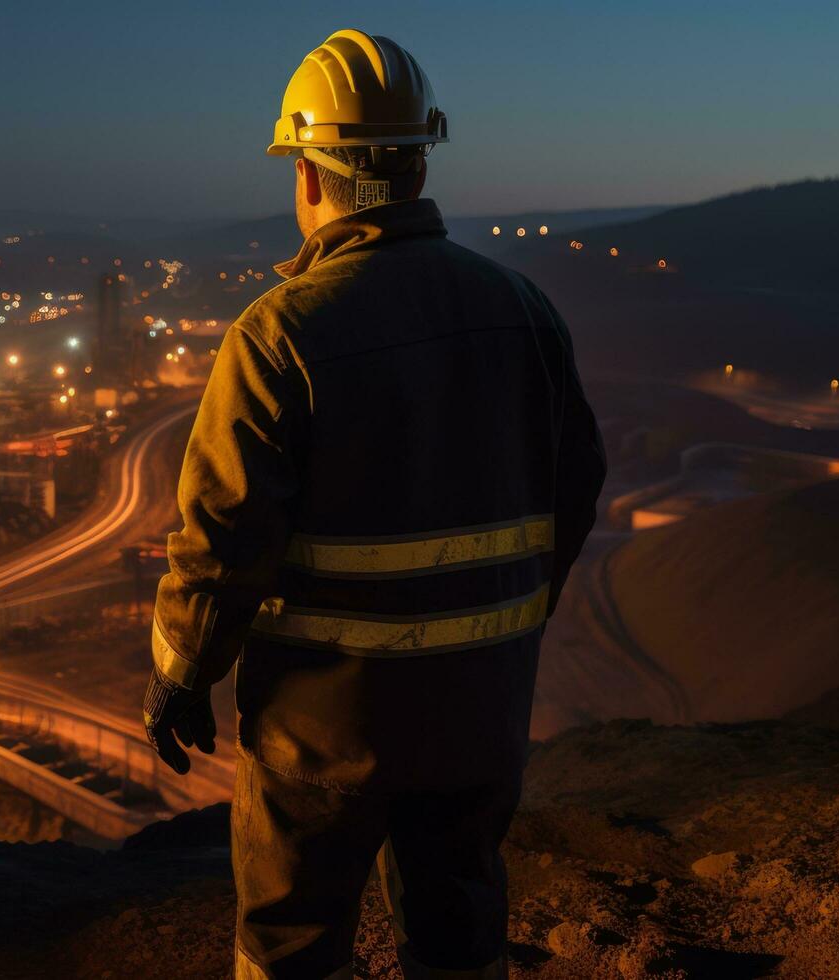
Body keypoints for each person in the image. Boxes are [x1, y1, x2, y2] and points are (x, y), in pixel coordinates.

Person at [141, 29, 607, 979]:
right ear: (418, 159)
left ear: (311, 176)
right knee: (458, 929)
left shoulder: (281, 334)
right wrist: (506, 623)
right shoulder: (523, 309)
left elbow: (222, 539)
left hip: (325, 733)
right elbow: (577, 483)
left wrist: (183, 670)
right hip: (480, 709)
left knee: (292, 943)